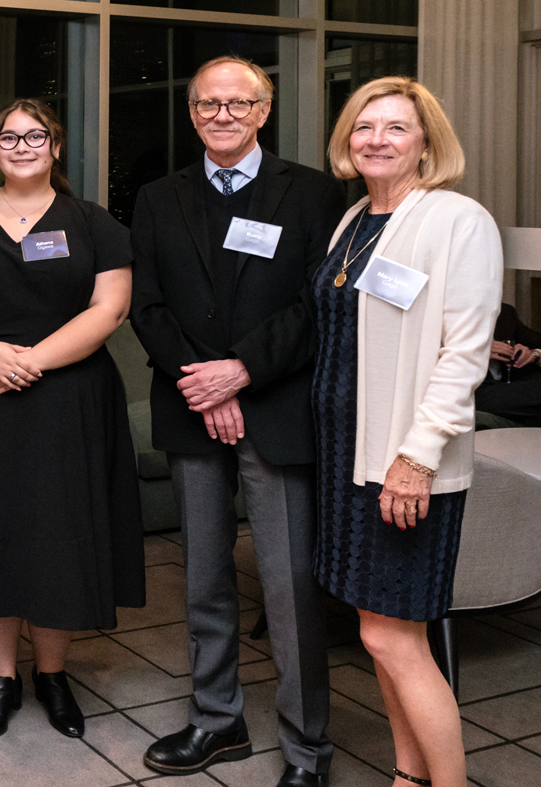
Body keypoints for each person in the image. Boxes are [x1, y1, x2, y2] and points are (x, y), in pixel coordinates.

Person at [129, 56, 346, 787]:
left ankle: (306, 748)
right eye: (207, 104)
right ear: (191, 112)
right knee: (204, 579)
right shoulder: (159, 197)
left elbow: (317, 306)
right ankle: (217, 719)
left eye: (237, 103)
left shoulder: (314, 194)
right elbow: (147, 305)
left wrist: (242, 372)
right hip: (194, 407)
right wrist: (207, 385)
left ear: (264, 109)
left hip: (276, 409)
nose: (222, 115)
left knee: (286, 586)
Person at [0, 98, 146, 740]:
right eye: (9, 137)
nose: (21, 145)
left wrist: (30, 362)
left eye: (34, 135)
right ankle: (1, 677)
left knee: (56, 534)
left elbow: (110, 308)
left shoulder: (93, 223)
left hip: (65, 400)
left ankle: (53, 674)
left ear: (56, 146)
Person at [313, 77, 502, 787]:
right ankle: (409, 776)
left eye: (396, 127)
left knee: (395, 639)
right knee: (379, 635)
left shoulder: (458, 220)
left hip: (402, 462)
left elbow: (465, 351)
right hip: (348, 460)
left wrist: (417, 458)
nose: (377, 140)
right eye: (364, 127)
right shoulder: (355, 220)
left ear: (427, 142)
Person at [475, 303, 541, 427]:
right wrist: (476, 351)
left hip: (508, 383)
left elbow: (537, 341)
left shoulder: (505, 312)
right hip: (475, 389)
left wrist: (534, 354)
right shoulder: (445, 312)